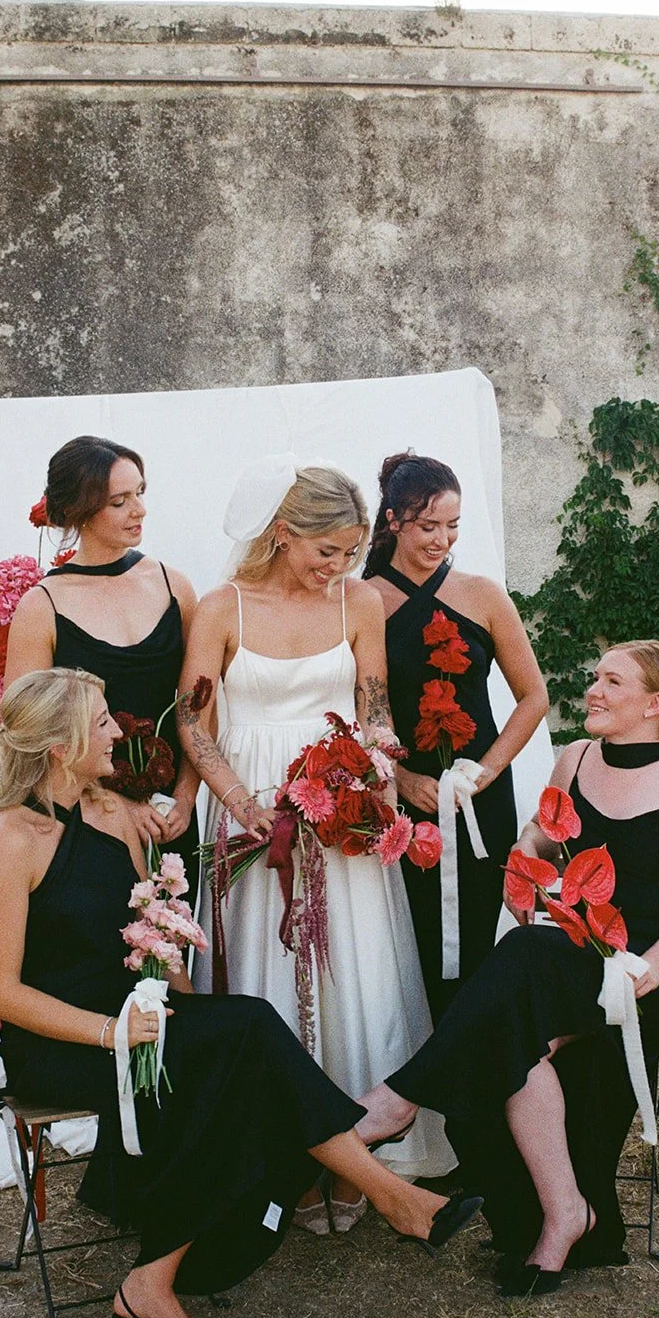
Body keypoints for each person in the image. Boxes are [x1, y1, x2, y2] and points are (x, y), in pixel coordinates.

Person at [0, 668, 481, 1318]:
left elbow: (154, 924)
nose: (118, 731)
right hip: (64, 1041)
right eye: (99, 723)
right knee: (244, 1031)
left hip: (142, 1020)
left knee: (236, 1040)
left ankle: (154, 1282)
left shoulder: (117, 814)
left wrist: (181, 1008)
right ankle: (392, 1197)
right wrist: (109, 1032)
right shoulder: (10, 838)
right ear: (59, 745)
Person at [354, 640, 659, 1293]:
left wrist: (649, 967)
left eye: (610, 682)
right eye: (595, 678)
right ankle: (566, 1213)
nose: (592, 690)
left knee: (522, 962)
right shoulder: (576, 757)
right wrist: (522, 854)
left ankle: (395, 1102)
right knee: (513, 1026)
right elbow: (542, 830)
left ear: (655, 702)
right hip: (580, 952)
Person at [178, 458, 455, 1234]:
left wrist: (371, 775)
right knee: (270, 974)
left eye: (348, 551)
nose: (338, 567)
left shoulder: (358, 601)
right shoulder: (221, 606)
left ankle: (359, 1153)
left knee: (353, 971)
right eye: (324, 551)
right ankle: (284, 1155)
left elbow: (373, 713)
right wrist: (241, 805)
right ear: (280, 534)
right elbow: (193, 720)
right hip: (254, 811)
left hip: (341, 812)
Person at [363, 453, 549, 1020]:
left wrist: (484, 772)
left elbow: (533, 696)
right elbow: (357, 706)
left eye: (453, 525)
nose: (442, 539)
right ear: (393, 520)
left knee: (471, 937)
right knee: (407, 938)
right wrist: (399, 776)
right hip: (401, 795)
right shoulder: (361, 598)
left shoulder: (484, 594)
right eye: (428, 526)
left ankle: (473, 1078)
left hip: (480, 793)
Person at [4, 435, 200, 866]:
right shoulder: (42, 607)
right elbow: (28, 738)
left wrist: (185, 799)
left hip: (171, 823)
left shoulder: (175, 587)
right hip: (82, 827)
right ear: (80, 510)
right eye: (119, 501)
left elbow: (199, 707)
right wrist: (115, 808)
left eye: (141, 493)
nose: (139, 510)